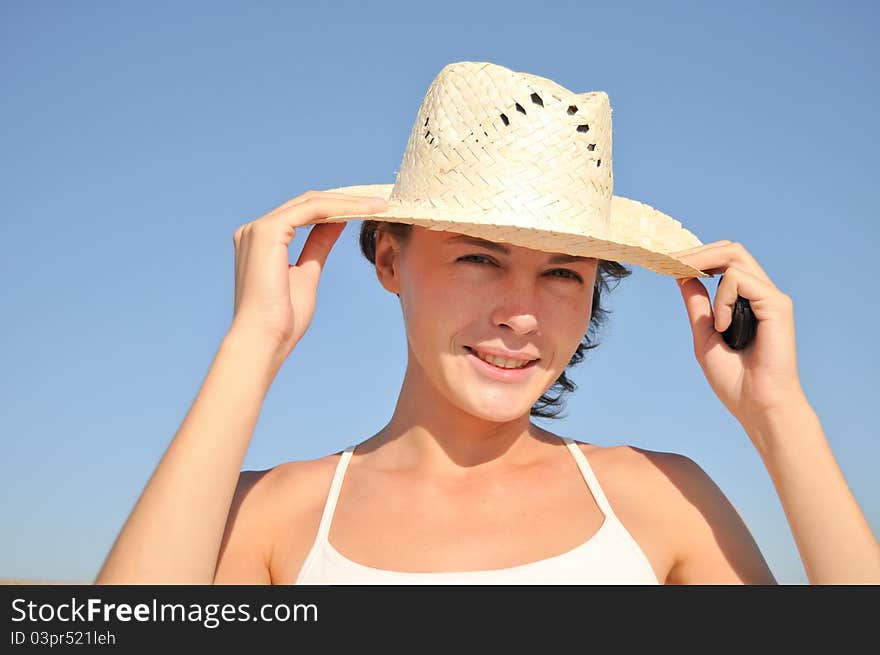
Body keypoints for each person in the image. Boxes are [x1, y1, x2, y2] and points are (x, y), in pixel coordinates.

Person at [94, 61, 880, 585]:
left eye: (564, 273)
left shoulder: (662, 501)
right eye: (478, 258)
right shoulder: (272, 519)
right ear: (389, 261)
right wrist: (251, 345)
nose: (521, 311)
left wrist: (781, 416)